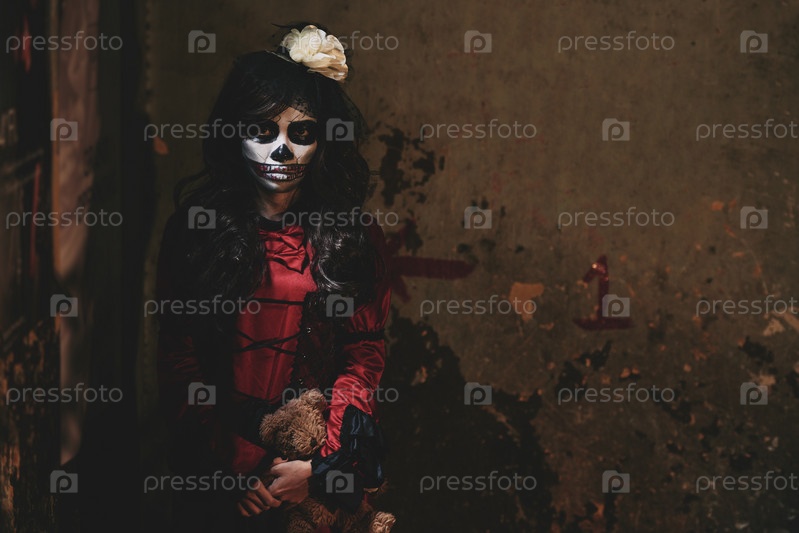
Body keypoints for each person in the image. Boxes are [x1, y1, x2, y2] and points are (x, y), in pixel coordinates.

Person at [155, 23, 391, 532]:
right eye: (262, 131)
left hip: (314, 473)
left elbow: (363, 356)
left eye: (301, 133)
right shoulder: (195, 231)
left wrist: (320, 469)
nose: (281, 151)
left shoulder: (353, 238)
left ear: (324, 141)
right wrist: (232, 469)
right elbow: (179, 359)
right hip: (216, 477)